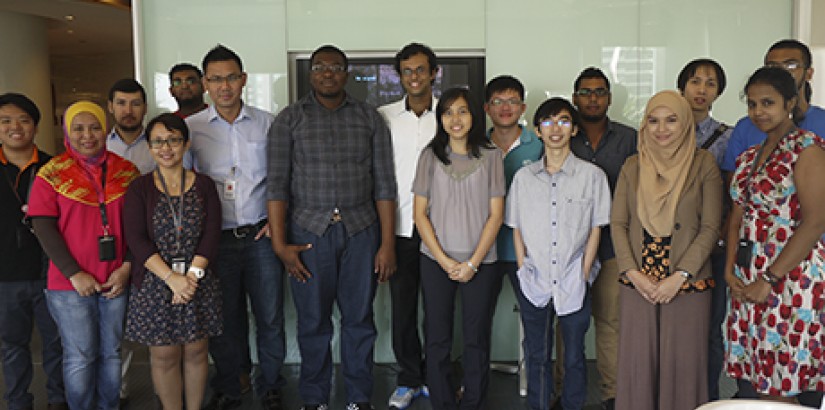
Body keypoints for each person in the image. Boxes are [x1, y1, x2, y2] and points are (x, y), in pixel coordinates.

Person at [267, 44, 397, 410]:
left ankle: (358, 399)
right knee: (313, 323)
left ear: (346, 73)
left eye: (335, 67)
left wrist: (387, 244)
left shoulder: (370, 118)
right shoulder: (288, 120)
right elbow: (276, 185)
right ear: (311, 73)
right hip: (308, 235)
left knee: (359, 321)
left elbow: (385, 184)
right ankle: (315, 399)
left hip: (362, 232)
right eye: (320, 67)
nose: (328, 73)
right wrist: (280, 245)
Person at [720, 38, 825, 404]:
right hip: (749, 277)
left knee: (785, 380)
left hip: (789, 278)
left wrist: (770, 278)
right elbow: (736, 216)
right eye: (752, 104)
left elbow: (814, 222)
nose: (759, 112)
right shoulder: (749, 155)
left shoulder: (807, 150)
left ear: (791, 103)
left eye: (768, 103)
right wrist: (730, 270)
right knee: (756, 375)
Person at [186, 44, 286, 410]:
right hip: (215, 241)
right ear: (205, 84)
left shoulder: (269, 123)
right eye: (215, 79)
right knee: (225, 319)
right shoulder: (190, 130)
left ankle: (271, 383)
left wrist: (280, 223)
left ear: (243, 80)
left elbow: (283, 178)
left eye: (231, 77)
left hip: (261, 234)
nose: (224, 86)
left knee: (270, 315)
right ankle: (232, 382)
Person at [611, 90, 721, 410]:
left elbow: (710, 227)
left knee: (683, 366)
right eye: (654, 121)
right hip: (638, 280)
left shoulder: (703, 164)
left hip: (687, 282)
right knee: (637, 365)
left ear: (685, 122)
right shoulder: (632, 166)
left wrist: (680, 276)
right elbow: (618, 223)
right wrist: (633, 273)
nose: (662, 129)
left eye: (671, 120)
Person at [28, 100, 139, 410]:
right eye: (78, 128)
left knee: (112, 353)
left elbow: (137, 226)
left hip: (115, 280)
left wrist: (127, 266)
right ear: (66, 132)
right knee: (80, 355)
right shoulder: (51, 174)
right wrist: (74, 272)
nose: (87, 135)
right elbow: (43, 227)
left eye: (94, 127)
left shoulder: (126, 172)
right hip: (69, 285)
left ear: (105, 129)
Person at [506, 97, 610, 410]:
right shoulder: (524, 178)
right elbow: (516, 227)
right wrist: (524, 268)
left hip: (573, 278)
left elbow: (596, 228)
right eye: (548, 121)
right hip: (534, 279)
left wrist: (584, 271)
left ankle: (572, 405)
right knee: (537, 354)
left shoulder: (592, 176)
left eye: (563, 121)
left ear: (574, 129)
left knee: (575, 355)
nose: (555, 128)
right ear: (537, 130)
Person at [412, 87, 504, 410]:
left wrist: (472, 263)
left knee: (476, 338)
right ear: (441, 119)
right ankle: (443, 401)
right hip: (436, 261)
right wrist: (445, 260)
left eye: (462, 111)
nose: (456, 119)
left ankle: (473, 402)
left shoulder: (491, 156)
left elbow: (496, 215)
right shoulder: (429, 156)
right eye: (448, 112)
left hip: (482, 262)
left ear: (473, 116)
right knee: (437, 338)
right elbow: (419, 214)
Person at [123, 113, 223, 410]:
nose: (166, 148)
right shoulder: (139, 188)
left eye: (174, 140)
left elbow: (211, 233)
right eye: (158, 142)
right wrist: (172, 279)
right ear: (150, 147)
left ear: (186, 143)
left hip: (197, 281)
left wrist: (190, 277)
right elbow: (137, 239)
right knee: (164, 355)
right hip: (156, 282)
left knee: (196, 350)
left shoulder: (204, 185)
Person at [566, 66, 637, 410]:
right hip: (569, 247)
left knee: (610, 322)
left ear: (609, 97)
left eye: (599, 92)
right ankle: (564, 393)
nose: (592, 98)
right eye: (585, 92)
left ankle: (612, 394)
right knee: (568, 324)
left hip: (614, 245)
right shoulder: (562, 133)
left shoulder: (630, 138)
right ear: (575, 97)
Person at [377, 42, 438, 410]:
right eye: (407, 71)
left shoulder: (449, 115)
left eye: (421, 70)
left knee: (438, 309)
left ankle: (434, 375)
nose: (414, 77)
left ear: (434, 73)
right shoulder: (383, 117)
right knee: (402, 310)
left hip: (440, 230)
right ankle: (409, 378)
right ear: (400, 76)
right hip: (398, 229)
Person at [0, 93, 67, 410]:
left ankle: (58, 399)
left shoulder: (55, 167)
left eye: (24, 120)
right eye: (6, 121)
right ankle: (18, 402)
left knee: (56, 343)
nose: (15, 127)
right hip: (5, 275)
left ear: (36, 127)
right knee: (12, 346)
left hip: (49, 273)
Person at [676, 58, 733, 400]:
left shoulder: (727, 138)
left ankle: (707, 398)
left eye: (710, 83)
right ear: (682, 85)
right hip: (668, 243)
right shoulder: (663, 130)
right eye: (695, 81)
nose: (702, 89)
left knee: (711, 329)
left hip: (714, 245)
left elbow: (731, 194)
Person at [483, 74, 543, 325]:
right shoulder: (476, 147)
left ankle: (535, 367)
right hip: (485, 248)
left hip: (529, 249)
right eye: (498, 101)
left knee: (535, 318)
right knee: (479, 319)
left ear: (523, 108)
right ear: (486, 108)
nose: (505, 108)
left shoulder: (540, 146)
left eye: (512, 101)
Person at [106, 78, 154, 174]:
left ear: (145, 108)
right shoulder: (101, 145)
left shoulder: (158, 146)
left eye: (136, 104)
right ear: (110, 107)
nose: (128, 111)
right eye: (121, 103)